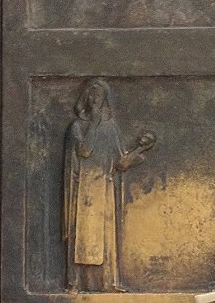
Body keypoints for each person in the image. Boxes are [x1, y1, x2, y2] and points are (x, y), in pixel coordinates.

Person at [63, 79, 157, 292]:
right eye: (91, 95)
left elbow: (120, 163)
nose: (94, 99)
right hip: (82, 188)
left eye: (98, 95)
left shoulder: (111, 128)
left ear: (105, 99)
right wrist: (94, 123)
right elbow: (84, 151)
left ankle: (109, 283)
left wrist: (141, 149)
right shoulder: (77, 127)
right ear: (85, 98)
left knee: (105, 236)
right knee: (80, 236)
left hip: (103, 189)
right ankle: (74, 283)